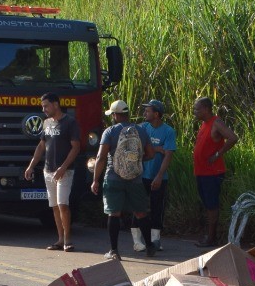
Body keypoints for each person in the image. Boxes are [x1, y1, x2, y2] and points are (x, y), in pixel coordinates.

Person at [91, 99, 152, 261]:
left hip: (113, 177)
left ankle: (114, 251)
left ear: (116, 115)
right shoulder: (141, 131)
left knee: (114, 213)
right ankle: (150, 247)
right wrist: (135, 161)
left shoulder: (110, 132)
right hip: (136, 178)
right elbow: (151, 154)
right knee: (141, 212)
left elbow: (101, 157)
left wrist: (95, 179)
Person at [23, 91, 82, 251]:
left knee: (63, 204)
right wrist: (31, 166)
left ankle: (68, 240)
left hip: (65, 171)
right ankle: (60, 239)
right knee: (55, 206)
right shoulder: (47, 123)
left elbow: (76, 148)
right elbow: (41, 146)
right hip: (48, 171)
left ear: (56, 104)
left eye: (46, 106)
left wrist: (63, 168)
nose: (44, 109)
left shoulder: (70, 122)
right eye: (42, 107)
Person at [191, 96, 239, 247]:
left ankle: (211, 238)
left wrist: (218, 154)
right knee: (207, 204)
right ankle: (209, 235)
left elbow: (232, 138)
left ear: (206, 109)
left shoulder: (216, 123)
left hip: (212, 173)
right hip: (201, 171)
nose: (195, 112)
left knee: (212, 205)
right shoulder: (204, 124)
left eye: (197, 109)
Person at [136, 99, 176, 254]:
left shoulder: (168, 132)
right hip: (141, 175)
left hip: (158, 176)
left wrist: (159, 176)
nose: (145, 113)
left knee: (157, 208)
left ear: (156, 114)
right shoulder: (143, 128)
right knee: (139, 207)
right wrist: (156, 148)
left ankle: (155, 239)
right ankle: (138, 241)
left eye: (148, 110)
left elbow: (168, 155)